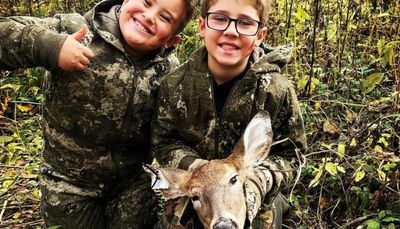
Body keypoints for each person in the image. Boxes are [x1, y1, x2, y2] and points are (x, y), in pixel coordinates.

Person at [0, 0, 195, 228]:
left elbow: (169, 132)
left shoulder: (169, 70)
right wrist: (50, 47)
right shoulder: (76, 29)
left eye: (165, 18)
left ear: (172, 39)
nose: (150, 16)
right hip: (68, 185)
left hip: (132, 187)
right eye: (146, 2)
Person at [151, 0, 307, 228]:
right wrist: (198, 169)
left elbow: (291, 154)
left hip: (250, 193)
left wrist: (256, 182)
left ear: (259, 35)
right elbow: (163, 141)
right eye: (220, 19)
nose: (231, 31)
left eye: (244, 23)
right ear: (202, 26)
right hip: (197, 192)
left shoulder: (275, 89)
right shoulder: (176, 86)